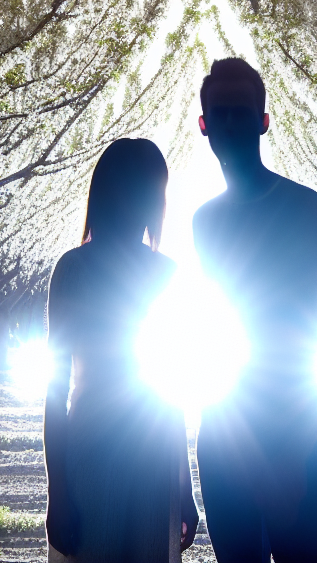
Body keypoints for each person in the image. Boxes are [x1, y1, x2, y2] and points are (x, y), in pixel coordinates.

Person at [193, 58, 317, 563]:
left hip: (289, 445)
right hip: (223, 444)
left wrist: (295, 455)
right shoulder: (203, 222)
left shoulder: (304, 209)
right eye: (221, 114)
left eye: (241, 112)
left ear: (263, 120)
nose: (231, 124)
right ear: (204, 126)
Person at [44, 138, 200, 563]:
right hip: (113, 456)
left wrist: (185, 488)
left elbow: (173, 386)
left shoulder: (78, 269)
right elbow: (55, 391)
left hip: (137, 456)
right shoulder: (81, 271)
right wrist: (56, 493)